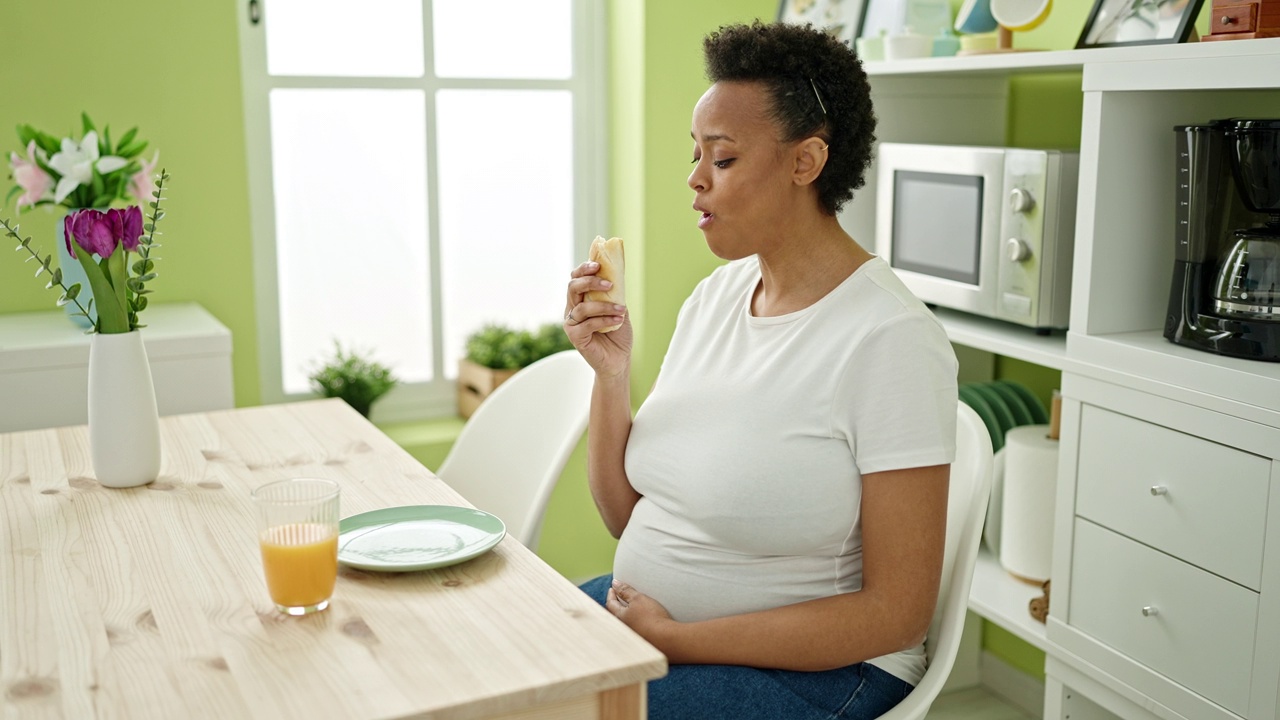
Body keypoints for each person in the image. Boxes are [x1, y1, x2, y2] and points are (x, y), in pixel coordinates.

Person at [562, 21, 958, 720]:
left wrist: (680, 640)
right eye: (696, 154)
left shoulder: (890, 340)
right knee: (489, 668)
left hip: (820, 674)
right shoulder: (715, 298)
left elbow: (896, 616)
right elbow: (627, 516)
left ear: (806, 162)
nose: (694, 178)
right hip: (666, 632)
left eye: (722, 158)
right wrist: (610, 375)